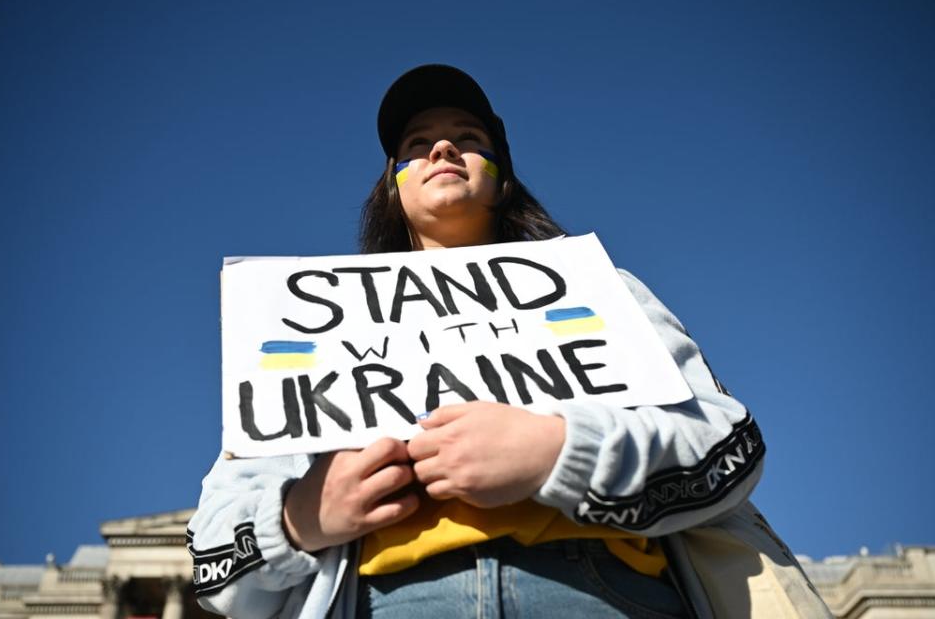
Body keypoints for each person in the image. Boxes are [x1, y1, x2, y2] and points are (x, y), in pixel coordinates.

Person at [187, 65, 766, 619]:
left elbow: (726, 444)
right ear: (392, 188)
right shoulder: (305, 324)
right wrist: (301, 519)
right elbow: (214, 560)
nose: (441, 150)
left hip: (602, 591)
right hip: (386, 599)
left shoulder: (602, 289)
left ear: (502, 177)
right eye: (416, 144)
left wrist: (558, 451)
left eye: (468, 138)